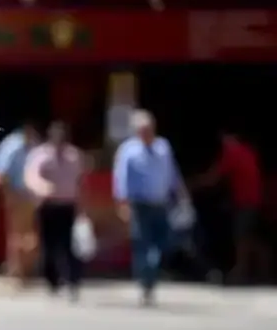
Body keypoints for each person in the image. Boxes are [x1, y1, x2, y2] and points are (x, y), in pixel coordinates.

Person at [112, 110, 187, 305]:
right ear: (136, 132)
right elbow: (121, 177)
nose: (146, 133)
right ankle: (146, 283)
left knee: (165, 241)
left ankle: (151, 273)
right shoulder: (128, 150)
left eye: (149, 129)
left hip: (161, 203)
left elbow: (172, 172)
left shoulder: (163, 147)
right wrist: (122, 202)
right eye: (142, 130)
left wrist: (180, 193)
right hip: (140, 204)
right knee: (142, 243)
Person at [192, 132, 264, 284]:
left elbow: (214, 177)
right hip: (253, 199)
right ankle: (256, 269)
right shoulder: (248, 150)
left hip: (245, 201)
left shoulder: (232, 152)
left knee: (242, 238)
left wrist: (191, 184)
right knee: (249, 237)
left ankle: (240, 272)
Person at [24, 121, 85, 298]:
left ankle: (72, 280)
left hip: (67, 205)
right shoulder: (40, 156)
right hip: (48, 206)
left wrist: (82, 205)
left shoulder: (74, 156)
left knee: (68, 245)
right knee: (49, 245)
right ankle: (52, 280)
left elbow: (80, 181)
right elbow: (31, 177)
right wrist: (43, 188)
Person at [0, 121, 42, 283]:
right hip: (18, 194)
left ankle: (20, 268)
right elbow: (2, 174)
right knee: (20, 235)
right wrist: (9, 195)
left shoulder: (26, 145)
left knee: (23, 234)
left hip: (26, 195)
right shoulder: (14, 147)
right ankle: (19, 269)